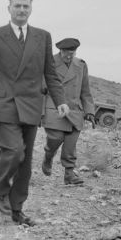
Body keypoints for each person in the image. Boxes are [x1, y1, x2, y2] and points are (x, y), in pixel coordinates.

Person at [0, 0, 70, 227]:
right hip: (3, 104)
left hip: (31, 105)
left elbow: (50, 72)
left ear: (31, 9)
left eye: (25, 7)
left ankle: (16, 209)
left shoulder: (43, 37)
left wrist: (60, 100)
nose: (21, 10)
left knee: (25, 163)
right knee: (14, 151)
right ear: (8, 8)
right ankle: (0, 191)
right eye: (17, 6)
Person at [41, 37, 95, 186]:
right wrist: (39, 110)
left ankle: (69, 174)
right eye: (66, 53)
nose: (69, 56)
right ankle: (48, 155)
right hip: (54, 107)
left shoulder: (81, 65)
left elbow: (85, 90)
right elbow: (41, 88)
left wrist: (90, 111)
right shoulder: (49, 62)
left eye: (73, 53)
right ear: (61, 51)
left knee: (70, 144)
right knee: (56, 138)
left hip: (75, 110)